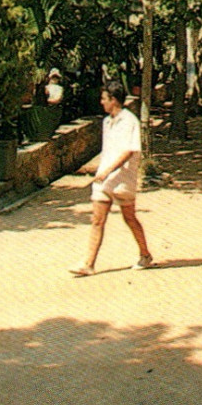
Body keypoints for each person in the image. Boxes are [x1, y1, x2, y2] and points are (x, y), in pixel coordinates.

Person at [71, 82, 156, 277]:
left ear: (114, 100)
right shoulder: (106, 122)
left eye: (104, 99)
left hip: (123, 178)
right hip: (104, 179)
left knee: (129, 218)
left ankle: (145, 254)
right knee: (97, 220)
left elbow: (129, 151)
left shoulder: (130, 121)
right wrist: (101, 170)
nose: (101, 102)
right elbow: (108, 150)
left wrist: (108, 170)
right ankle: (88, 264)